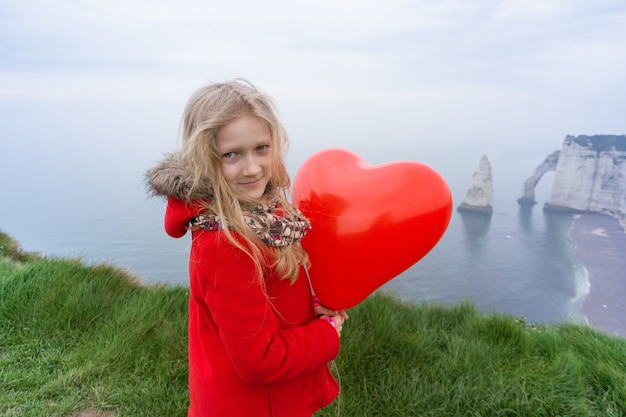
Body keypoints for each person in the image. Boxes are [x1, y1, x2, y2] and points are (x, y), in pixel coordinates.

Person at [147, 79, 348, 417]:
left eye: (261, 148)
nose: (253, 168)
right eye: (231, 154)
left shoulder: (260, 211)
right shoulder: (225, 244)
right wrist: (326, 334)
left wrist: (309, 307)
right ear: (203, 158)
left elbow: (266, 296)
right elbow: (259, 360)